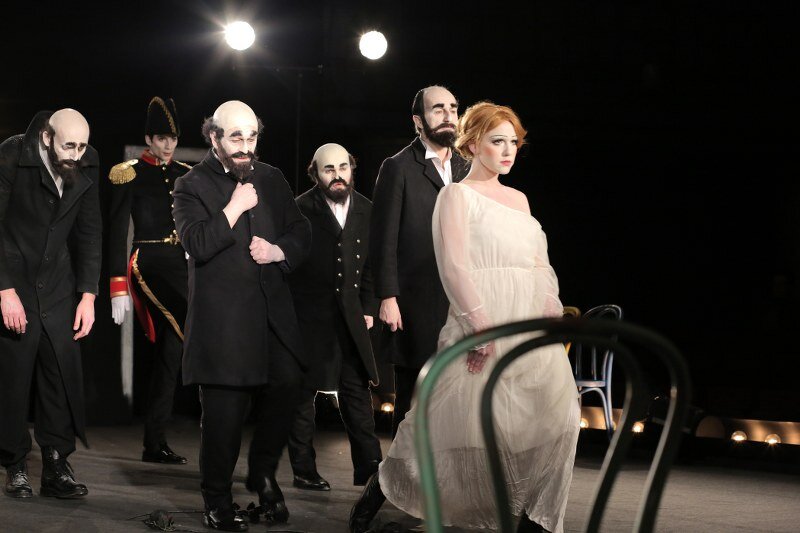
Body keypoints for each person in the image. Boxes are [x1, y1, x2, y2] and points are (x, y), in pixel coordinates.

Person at [351, 102, 580, 533]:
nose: (508, 151)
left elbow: (538, 264)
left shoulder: (519, 199)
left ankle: (533, 518)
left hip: (527, 323)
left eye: (514, 142)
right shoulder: (456, 195)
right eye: (498, 141)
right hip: (481, 319)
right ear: (473, 144)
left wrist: (549, 309)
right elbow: (454, 267)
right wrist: (480, 329)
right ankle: (379, 488)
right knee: (444, 422)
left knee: (558, 415)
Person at [172, 100, 310, 532]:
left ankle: (262, 475)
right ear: (213, 137)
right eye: (236, 137)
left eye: (252, 136)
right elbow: (196, 243)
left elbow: (300, 230)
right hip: (224, 326)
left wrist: (279, 251)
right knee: (224, 419)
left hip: (271, 319)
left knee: (288, 386)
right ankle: (216, 502)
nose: (246, 146)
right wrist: (233, 207)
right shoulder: (190, 185)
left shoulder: (271, 177)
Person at [0, 109, 102, 499]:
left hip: (58, 280)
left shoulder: (87, 159)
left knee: (60, 370)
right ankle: (15, 464)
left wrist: (88, 295)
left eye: (82, 146)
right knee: (14, 373)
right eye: (68, 145)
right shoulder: (13, 154)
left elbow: (90, 229)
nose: (76, 154)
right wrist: (5, 290)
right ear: (47, 137)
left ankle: (57, 464)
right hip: (15, 275)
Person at [369, 85, 468, 436]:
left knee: (455, 395)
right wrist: (387, 296)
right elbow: (383, 237)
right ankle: (401, 470)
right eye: (437, 109)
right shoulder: (398, 167)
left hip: (459, 298)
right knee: (414, 399)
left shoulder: (467, 166)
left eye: (453, 108)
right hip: (415, 301)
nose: (448, 115)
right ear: (418, 120)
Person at [286, 143, 382, 492]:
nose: (338, 175)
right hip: (309, 316)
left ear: (352, 169)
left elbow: (370, 265)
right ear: (315, 173)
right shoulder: (299, 209)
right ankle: (303, 470)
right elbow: (290, 266)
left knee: (356, 392)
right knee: (303, 395)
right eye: (329, 169)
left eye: (343, 167)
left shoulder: (367, 209)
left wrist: (368, 307)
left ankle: (372, 472)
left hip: (351, 317)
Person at [107, 96, 192, 465]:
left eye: (172, 138)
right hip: (148, 263)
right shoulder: (128, 173)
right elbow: (116, 232)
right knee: (189, 322)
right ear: (148, 139)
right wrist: (117, 285)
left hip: (182, 263)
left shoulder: (185, 173)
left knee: (172, 351)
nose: (168, 145)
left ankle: (154, 442)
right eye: (161, 138)